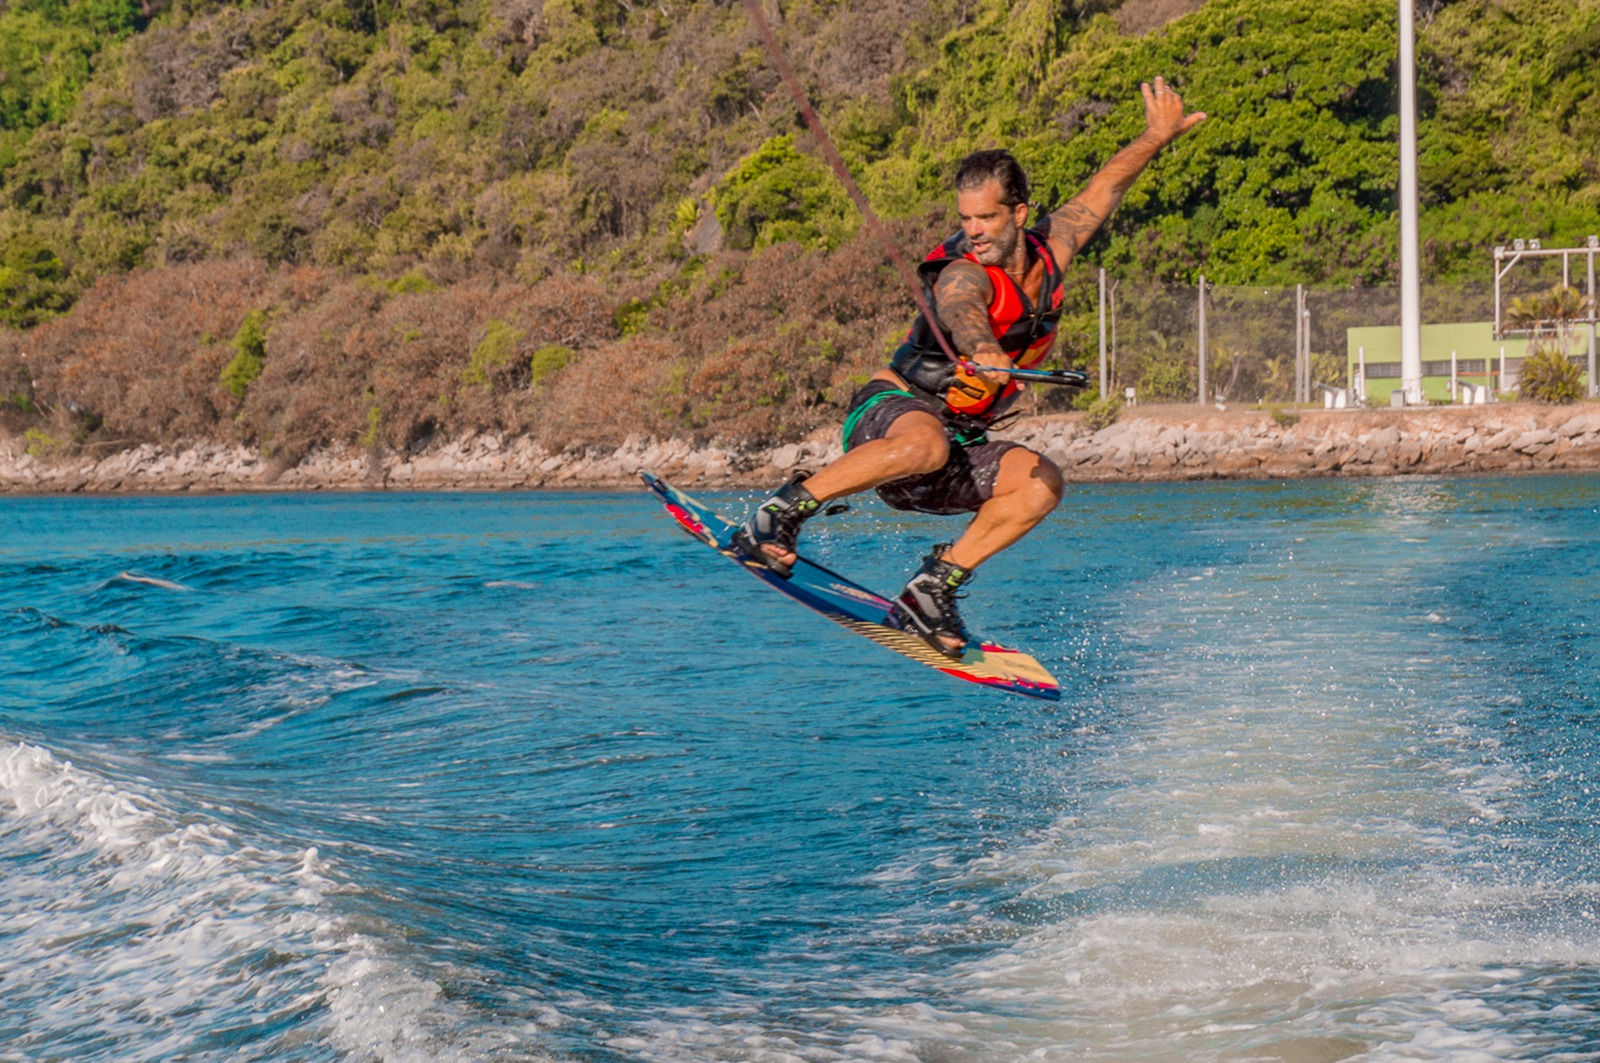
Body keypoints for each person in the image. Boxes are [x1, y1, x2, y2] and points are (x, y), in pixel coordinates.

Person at [734, 76, 1205, 658]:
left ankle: (932, 589)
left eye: (985, 218)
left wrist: (1156, 137)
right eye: (965, 218)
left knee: (1041, 485)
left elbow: (1106, 187)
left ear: (1020, 213)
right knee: (926, 443)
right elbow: (961, 308)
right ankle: (777, 514)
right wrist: (984, 350)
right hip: (891, 417)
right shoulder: (965, 270)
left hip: (954, 445)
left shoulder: (1053, 249)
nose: (972, 231)